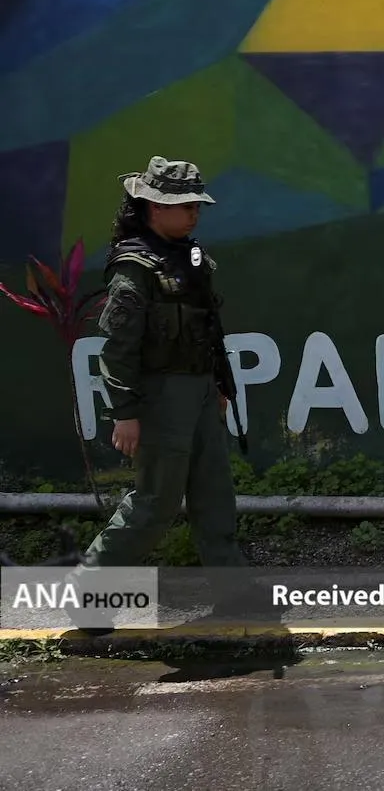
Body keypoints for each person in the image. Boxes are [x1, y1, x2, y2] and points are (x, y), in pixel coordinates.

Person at [81, 157, 245, 569]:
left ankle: (234, 591)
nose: (194, 214)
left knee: (215, 494)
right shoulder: (134, 267)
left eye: (196, 206)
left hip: (200, 389)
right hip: (161, 395)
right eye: (185, 206)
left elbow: (207, 324)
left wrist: (218, 383)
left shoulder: (189, 256)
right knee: (155, 502)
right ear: (155, 207)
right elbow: (119, 346)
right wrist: (124, 413)